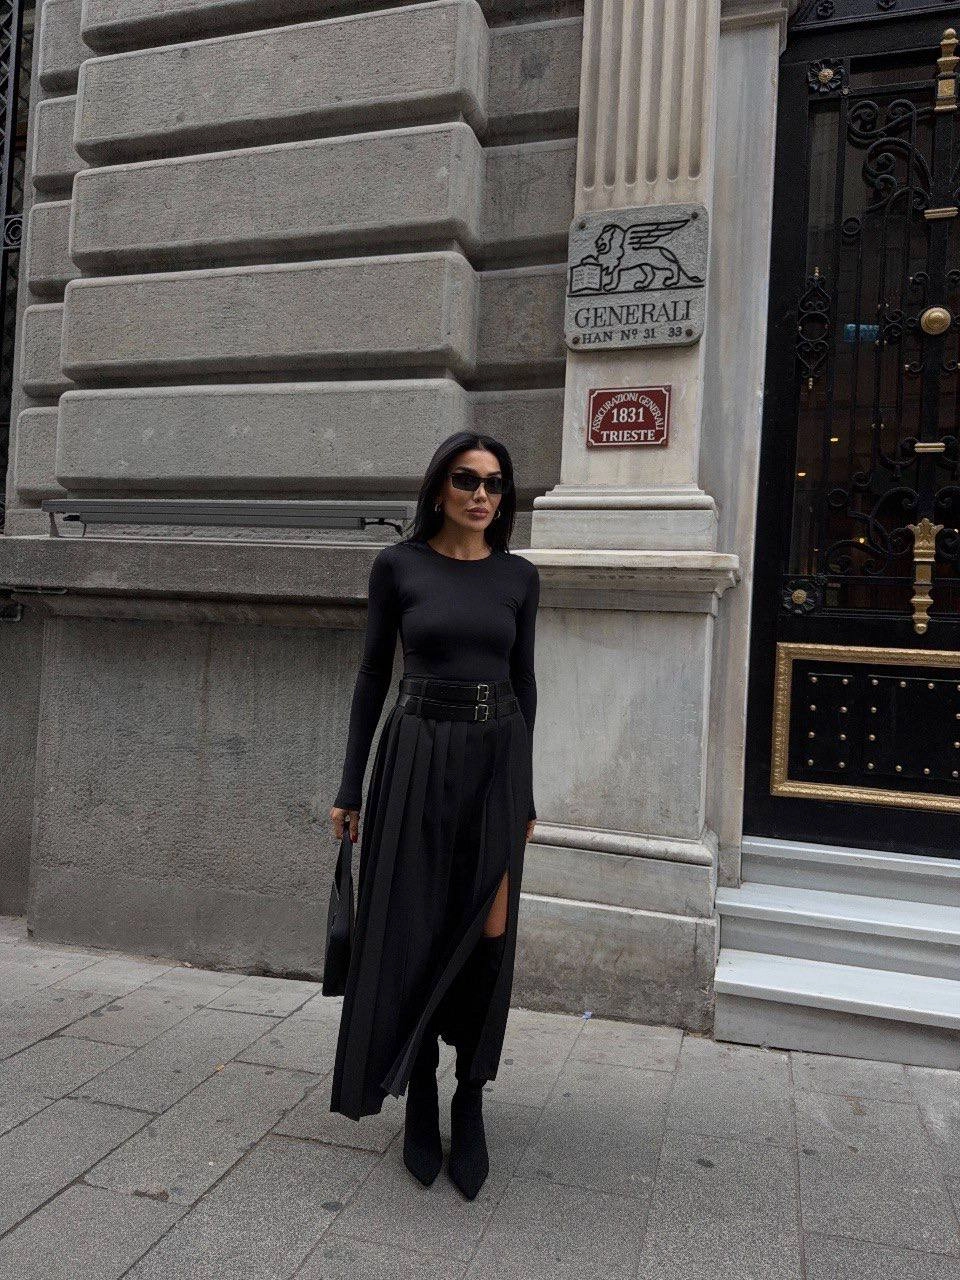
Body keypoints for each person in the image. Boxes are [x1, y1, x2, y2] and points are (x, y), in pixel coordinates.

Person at [327, 430, 540, 1201]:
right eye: (466, 480)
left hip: (495, 764)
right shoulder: (399, 566)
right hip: (414, 757)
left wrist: (526, 792)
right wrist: (350, 789)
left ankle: (469, 1093)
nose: (481, 495)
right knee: (411, 924)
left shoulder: (519, 576)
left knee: (489, 932)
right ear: (439, 488)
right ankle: (417, 1084)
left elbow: (525, 680)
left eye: (494, 483)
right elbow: (371, 674)